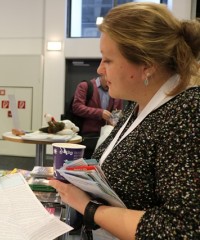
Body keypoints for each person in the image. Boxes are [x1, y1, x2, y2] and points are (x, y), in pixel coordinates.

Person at [50, 2, 200, 239]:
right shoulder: (138, 106)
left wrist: (90, 209)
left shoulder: (187, 112)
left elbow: (183, 229)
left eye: (107, 60)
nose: (100, 69)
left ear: (147, 65)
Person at [72, 76, 123, 159]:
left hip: (105, 138)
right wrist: (100, 113)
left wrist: (115, 120)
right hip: (86, 137)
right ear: (103, 74)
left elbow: (117, 111)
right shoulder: (85, 86)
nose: (111, 83)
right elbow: (77, 107)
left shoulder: (115, 90)